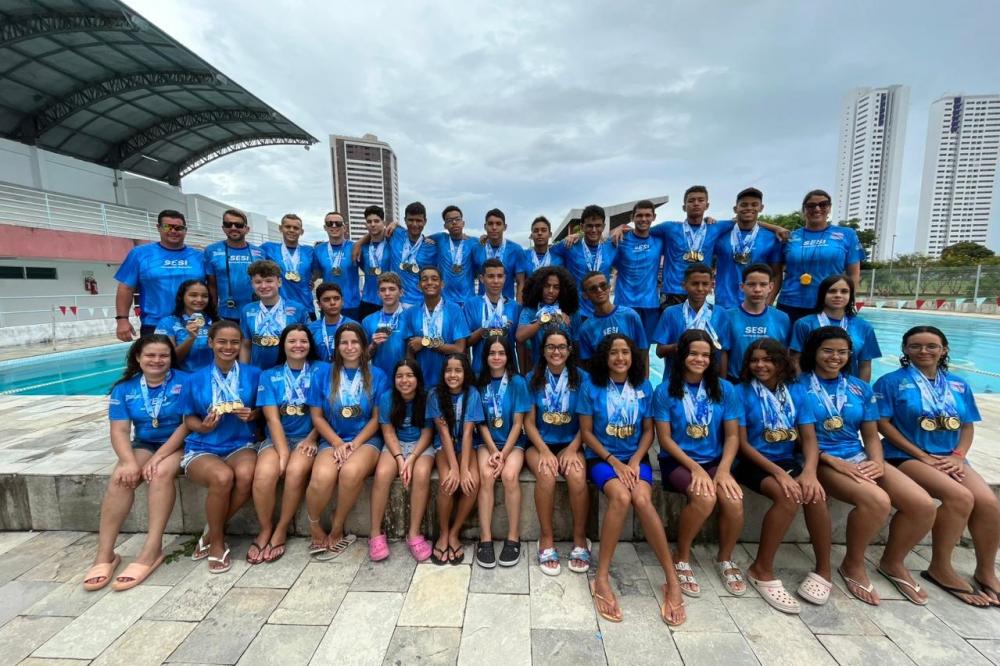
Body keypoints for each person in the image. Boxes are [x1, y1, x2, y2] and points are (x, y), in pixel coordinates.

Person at [801, 326, 935, 606]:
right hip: (819, 458)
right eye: (827, 351)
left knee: (922, 505)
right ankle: (853, 564)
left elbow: (871, 435)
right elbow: (794, 438)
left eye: (841, 352)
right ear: (813, 352)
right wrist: (830, 460)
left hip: (858, 455)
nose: (835, 357)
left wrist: (876, 461)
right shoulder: (797, 385)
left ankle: (893, 562)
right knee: (877, 501)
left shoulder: (859, 388)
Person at [875, 326, 1000, 607]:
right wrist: (922, 455)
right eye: (916, 346)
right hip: (904, 455)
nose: (923, 351)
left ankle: (986, 571)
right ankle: (940, 567)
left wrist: (958, 455)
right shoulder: (890, 382)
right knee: (960, 497)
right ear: (905, 350)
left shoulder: (958, 384)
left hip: (950, 456)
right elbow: (883, 424)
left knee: (989, 502)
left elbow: (966, 425)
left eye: (931, 346)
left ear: (943, 350)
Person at [577, 333, 685, 626]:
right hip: (603, 459)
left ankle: (671, 579)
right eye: (614, 353)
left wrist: (635, 460)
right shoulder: (591, 387)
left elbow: (649, 431)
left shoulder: (644, 386)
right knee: (622, 497)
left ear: (633, 357)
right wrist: (614, 462)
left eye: (625, 352)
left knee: (642, 498)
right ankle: (601, 578)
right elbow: (586, 433)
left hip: (635, 458)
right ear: (605, 357)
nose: (620, 358)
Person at [83, 335, 189, 591]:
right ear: (138, 358)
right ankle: (105, 554)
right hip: (144, 444)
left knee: (160, 473)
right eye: (150, 355)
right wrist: (129, 461)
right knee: (121, 477)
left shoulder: (185, 382)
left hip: (178, 444)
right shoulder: (125, 389)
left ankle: (151, 550)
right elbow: (119, 431)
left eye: (163, 355)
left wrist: (160, 456)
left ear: (171, 358)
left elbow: (187, 425)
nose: (157, 360)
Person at [734, 338, 832, 613]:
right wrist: (779, 474)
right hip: (752, 462)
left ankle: (824, 570)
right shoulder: (740, 392)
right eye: (755, 360)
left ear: (781, 362)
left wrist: (810, 472)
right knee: (788, 497)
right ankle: (761, 568)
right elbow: (742, 444)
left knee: (815, 496)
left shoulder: (797, 392)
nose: (760, 365)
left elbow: (810, 439)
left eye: (768, 359)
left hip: (787, 460)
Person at [653, 329, 746, 599]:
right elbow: (666, 440)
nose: (700, 359)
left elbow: (731, 436)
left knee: (734, 500)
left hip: (715, 461)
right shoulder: (665, 390)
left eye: (706, 355)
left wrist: (725, 470)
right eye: (693, 353)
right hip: (678, 462)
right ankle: (681, 555)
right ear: (682, 355)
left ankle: (725, 558)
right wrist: (695, 468)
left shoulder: (724, 389)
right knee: (705, 498)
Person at [181, 320, 261, 574]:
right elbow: (188, 418)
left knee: (248, 475)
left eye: (234, 342)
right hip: (203, 445)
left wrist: (253, 415)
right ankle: (217, 542)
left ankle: (209, 531)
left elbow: (263, 410)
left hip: (240, 443)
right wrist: (203, 427)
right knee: (222, 477)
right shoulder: (195, 379)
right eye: (222, 342)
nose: (228, 347)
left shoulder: (253, 374)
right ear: (211, 342)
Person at [304, 323, 388, 561]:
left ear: (363, 346)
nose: (350, 347)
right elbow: (317, 417)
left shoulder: (377, 375)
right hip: (333, 438)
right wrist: (338, 443)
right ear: (337, 346)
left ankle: (338, 526)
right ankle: (314, 525)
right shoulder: (323, 374)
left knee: (350, 473)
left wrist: (354, 443)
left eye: (355, 342)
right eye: (344, 342)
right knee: (321, 477)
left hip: (366, 439)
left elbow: (376, 418)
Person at [251, 324, 325, 564]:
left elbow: (328, 413)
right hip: (278, 438)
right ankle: (265, 528)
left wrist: (313, 438)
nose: (298, 346)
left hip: (310, 438)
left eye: (303, 341)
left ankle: (281, 528)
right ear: (283, 345)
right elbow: (271, 418)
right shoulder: (269, 375)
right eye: (292, 341)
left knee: (294, 472)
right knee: (264, 475)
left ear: (310, 345)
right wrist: (283, 452)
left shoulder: (322, 370)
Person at [523, 326, 591, 576]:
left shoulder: (582, 379)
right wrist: (545, 451)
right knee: (547, 475)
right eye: (550, 346)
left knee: (576, 476)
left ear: (570, 350)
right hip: (539, 444)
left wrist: (573, 449)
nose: (556, 351)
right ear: (543, 351)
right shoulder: (532, 378)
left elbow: (588, 423)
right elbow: (528, 423)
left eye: (561, 347)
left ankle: (580, 538)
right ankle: (546, 537)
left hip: (572, 442)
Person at [370, 359, 436, 562]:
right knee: (382, 474)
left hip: (420, 445)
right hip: (395, 444)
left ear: (417, 378)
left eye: (409, 375)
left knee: (422, 474)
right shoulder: (387, 397)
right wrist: (400, 459)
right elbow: (387, 430)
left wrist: (413, 458)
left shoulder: (427, 398)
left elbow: (427, 432)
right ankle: (375, 534)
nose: (404, 380)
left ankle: (414, 533)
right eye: (399, 376)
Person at [474, 335, 531, 568]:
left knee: (509, 476)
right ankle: (485, 538)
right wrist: (492, 450)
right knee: (486, 476)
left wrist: (503, 454)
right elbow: (481, 423)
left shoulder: (517, 382)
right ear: (485, 356)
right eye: (491, 353)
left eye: (501, 353)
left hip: (512, 443)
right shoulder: (479, 382)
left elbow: (518, 423)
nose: (496, 357)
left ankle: (513, 536)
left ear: (509, 356)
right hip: (486, 442)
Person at [427, 354, 485, 565]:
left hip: (467, 444)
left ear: (465, 373)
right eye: (448, 370)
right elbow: (442, 432)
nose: (453, 375)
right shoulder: (435, 394)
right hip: (445, 445)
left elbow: (469, 433)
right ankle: (443, 533)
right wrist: (454, 468)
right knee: (448, 483)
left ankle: (454, 532)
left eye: (458, 370)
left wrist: (465, 469)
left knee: (472, 483)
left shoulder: (472, 394)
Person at [115, 209, 205, 339]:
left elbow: (212, 286)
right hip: (154, 324)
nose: (173, 231)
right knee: (157, 360)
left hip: (195, 323)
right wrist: (122, 320)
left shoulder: (199, 257)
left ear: (185, 230)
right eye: (167, 226)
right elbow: (126, 288)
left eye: (178, 228)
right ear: (158, 228)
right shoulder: (140, 254)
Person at [777, 190, 864, 324]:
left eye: (823, 204)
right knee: (789, 345)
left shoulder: (847, 234)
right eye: (811, 206)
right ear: (804, 210)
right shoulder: (790, 237)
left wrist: (849, 302)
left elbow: (854, 274)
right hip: (790, 303)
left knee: (826, 345)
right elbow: (776, 273)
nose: (817, 209)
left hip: (829, 304)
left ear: (829, 208)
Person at [790, 274, 881, 381]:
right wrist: (801, 387)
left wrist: (861, 392)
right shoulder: (804, 324)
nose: (838, 295)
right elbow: (796, 360)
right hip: (812, 389)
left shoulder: (864, 327)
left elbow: (865, 365)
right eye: (832, 291)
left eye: (844, 291)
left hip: (848, 389)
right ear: (822, 294)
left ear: (851, 295)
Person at [354, 201, 439, 306]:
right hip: (394, 302)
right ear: (405, 220)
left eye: (419, 220)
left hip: (419, 303)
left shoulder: (431, 246)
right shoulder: (396, 234)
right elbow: (376, 230)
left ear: (425, 221)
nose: (414, 224)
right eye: (410, 220)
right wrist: (359, 244)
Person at [712, 188, 783, 309]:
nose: (749, 208)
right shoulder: (721, 235)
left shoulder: (771, 238)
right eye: (744, 205)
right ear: (736, 209)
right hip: (724, 304)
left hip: (756, 305)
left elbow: (776, 274)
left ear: (761, 207)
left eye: (754, 204)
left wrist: (769, 304)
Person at [652, 263, 730, 372]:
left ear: (712, 286)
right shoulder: (670, 313)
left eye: (705, 284)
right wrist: (682, 346)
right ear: (684, 285)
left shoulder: (720, 313)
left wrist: (722, 383)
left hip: (709, 380)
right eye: (695, 284)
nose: (700, 288)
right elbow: (659, 352)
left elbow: (723, 351)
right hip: (676, 378)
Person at [402, 266, 469, 388]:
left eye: (434, 279)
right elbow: (410, 351)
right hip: (421, 382)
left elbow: (459, 348)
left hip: (449, 380)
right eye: (424, 279)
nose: (429, 282)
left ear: (442, 284)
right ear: (419, 285)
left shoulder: (455, 310)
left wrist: (425, 342)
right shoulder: (410, 313)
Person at [724, 264, 790, 381]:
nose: (757, 289)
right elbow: (723, 354)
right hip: (736, 381)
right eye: (751, 284)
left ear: (771, 287)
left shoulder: (782, 318)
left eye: (763, 284)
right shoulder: (727, 317)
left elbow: (784, 354)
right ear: (742, 286)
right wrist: (724, 383)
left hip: (769, 381)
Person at [239, 260, 310, 369]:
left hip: (288, 372)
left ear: (279, 282)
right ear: (252, 284)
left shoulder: (298, 309)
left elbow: (307, 343)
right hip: (258, 371)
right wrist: (243, 371)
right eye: (258, 282)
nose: (263, 286)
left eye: (269, 281)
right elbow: (246, 345)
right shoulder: (247, 310)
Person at [612, 200, 665, 340]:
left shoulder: (660, 241)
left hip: (650, 304)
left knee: (644, 349)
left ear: (654, 217)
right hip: (624, 303)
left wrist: (707, 220)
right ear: (632, 217)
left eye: (648, 215)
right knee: (623, 346)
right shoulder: (620, 239)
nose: (643, 219)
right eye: (639, 215)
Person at [555, 204, 617, 317]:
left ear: (603, 226)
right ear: (582, 227)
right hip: (575, 312)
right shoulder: (569, 245)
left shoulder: (611, 246)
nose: (594, 230)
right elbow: (546, 251)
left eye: (598, 226)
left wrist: (621, 227)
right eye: (589, 226)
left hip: (602, 311)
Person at [577, 271, 647, 368]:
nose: (599, 290)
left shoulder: (630, 316)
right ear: (585, 295)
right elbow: (586, 363)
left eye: (603, 285)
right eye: (593, 288)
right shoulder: (585, 329)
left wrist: (644, 380)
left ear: (609, 287)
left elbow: (643, 351)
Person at [464, 259, 522, 375]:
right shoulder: (471, 304)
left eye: (500, 276)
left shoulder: (515, 307)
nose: (496, 281)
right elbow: (465, 342)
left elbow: (520, 344)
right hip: (479, 372)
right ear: (481, 279)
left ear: (505, 278)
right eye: (490, 276)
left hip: (508, 371)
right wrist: (484, 330)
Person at [205, 209, 264, 322]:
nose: (233, 228)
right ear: (223, 228)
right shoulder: (211, 251)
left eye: (238, 225)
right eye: (228, 224)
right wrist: (213, 313)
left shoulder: (259, 252)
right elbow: (211, 285)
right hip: (225, 314)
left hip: (256, 313)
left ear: (247, 229)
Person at [516, 266, 582, 366]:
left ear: (563, 289)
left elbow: (576, 344)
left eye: (556, 287)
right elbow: (520, 337)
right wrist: (545, 319)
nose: (551, 291)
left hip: (565, 370)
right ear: (538, 287)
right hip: (539, 369)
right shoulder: (530, 310)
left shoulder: (572, 312)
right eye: (546, 286)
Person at [155, 279, 217, 371]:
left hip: (211, 377)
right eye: (193, 295)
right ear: (182, 297)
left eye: (205, 296)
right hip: (180, 378)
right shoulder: (167, 323)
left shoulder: (216, 322)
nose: (199, 299)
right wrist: (191, 338)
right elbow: (169, 360)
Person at [261, 213, 316, 315]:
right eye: (287, 227)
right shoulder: (268, 248)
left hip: (306, 307)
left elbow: (318, 270)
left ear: (301, 231)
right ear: (281, 228)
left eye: (295, 228)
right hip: (279, 308)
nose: (291, 230)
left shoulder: (309, 251)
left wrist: (311, 280)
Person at [313, 211, 361, 322]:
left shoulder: (355, 247)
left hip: (351, 304)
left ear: (345, 227)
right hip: (328, 304)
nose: (334, 226)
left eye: (338, 223)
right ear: (325, 227)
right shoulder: (318, 250)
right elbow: (314, 274)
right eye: (330, 223)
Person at [471, 208, 526, 301]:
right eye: (490, 223)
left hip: (507, 305)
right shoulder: (476, 249)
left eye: (498, 224)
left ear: (505, 227)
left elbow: (521, 282)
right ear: (485, 226)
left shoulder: (516, 250)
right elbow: (470, 278)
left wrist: (518, 307)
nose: (494, 227)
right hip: (483, 305)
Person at [362, 271, 410, 378]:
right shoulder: (368, 321)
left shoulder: (410, 317)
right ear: (378, 294)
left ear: (401, 292)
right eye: (383, 290)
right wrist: (373, 345)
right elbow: (363, 358)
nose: (387, 293)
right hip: (379, 378)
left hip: (405, 378)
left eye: (392, 289)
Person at [432, 205, 478, 307]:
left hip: (468, 300)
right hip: (445, 301)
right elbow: (419, 237)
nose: (454, 222)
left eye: (457, 219)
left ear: (463, 223)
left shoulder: (473, 242)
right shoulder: (440, 239)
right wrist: (395, 225)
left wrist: (485, 238)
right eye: (449, 220)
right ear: (445, 226)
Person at [357, 205, 393, 319]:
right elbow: (363, 268)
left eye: (376, 221)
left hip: (389, 300)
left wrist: (396, 224)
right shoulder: (362, 248)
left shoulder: (392, 244)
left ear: (384, 222)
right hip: (368, 301)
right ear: (365, 224)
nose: (372, 224)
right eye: (369, 221)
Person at [308, 282, 358, 362]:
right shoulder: (311, 328)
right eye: (326, 299)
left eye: (336, 298)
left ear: (342, 301)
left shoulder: (355, 326)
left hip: (346, 373)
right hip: (321, 373)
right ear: (319, 304)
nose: (332, 303)